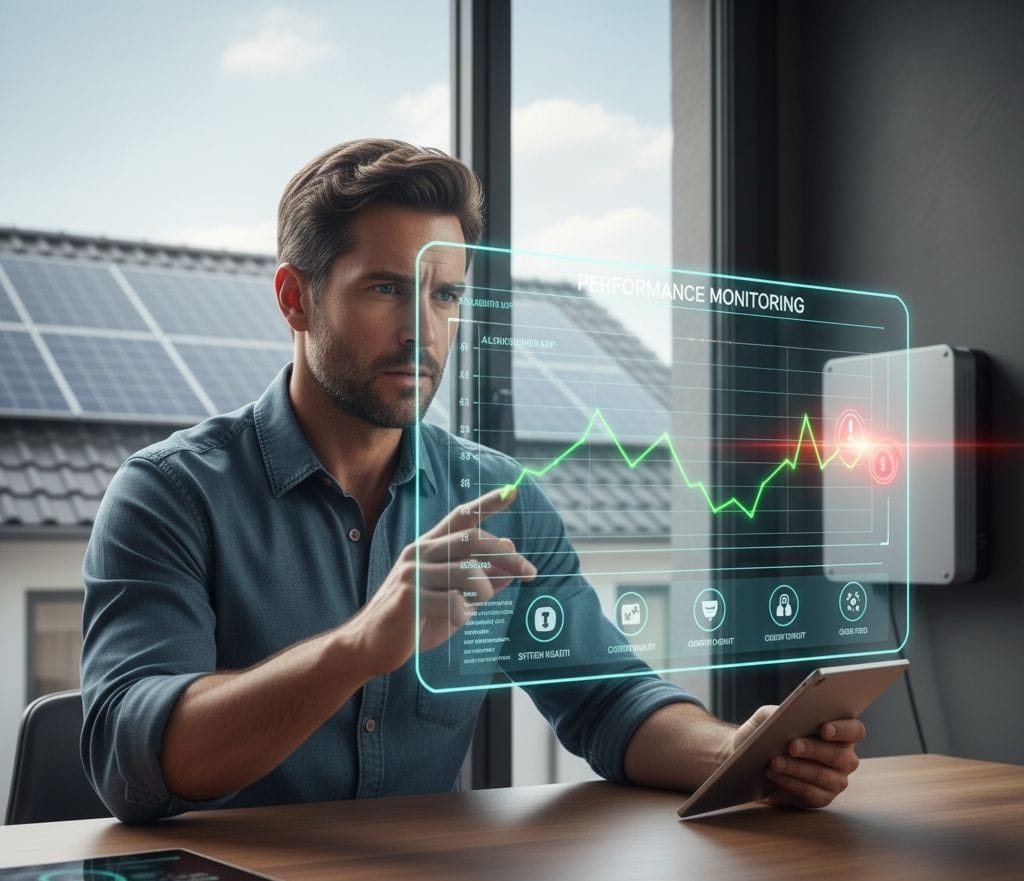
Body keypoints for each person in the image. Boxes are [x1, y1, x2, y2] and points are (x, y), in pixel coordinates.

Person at [80, 138, 864, 824]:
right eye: (387, 287)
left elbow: (607, 699)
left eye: (445, 293)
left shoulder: (499, 501)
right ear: (296, 298)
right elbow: (134, 759)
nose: (424, 329)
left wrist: (742, 753)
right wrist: (360, 646)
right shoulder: (170, 496)